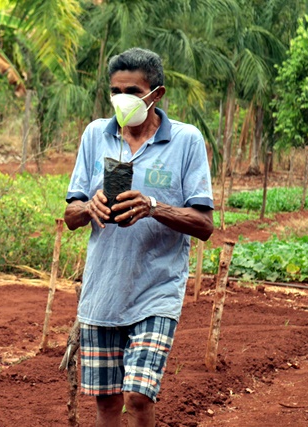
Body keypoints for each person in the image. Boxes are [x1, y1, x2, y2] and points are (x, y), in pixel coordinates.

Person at [63, 47, 214, 427]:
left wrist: (152, 206)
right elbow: (70, 214)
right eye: (116, 91)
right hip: (103, 290)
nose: (122, 99)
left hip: (156, 292)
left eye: (132, 90)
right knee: (107, 401)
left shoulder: (185, 140)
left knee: (138, 397)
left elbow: (204, 223)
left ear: (156, 94)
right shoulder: (96, 135)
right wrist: (88, 208)